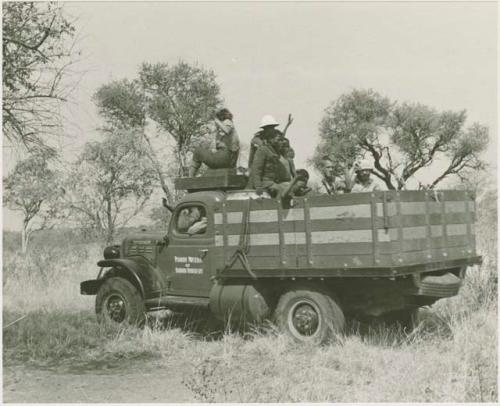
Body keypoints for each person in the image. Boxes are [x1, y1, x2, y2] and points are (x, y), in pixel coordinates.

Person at [189, 108, 240, 177]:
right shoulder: (229, 134)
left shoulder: (227, 122)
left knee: (197, 151)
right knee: (208, 152)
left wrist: (215, 119)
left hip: (224, 159)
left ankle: (190, 178)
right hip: (229, 161)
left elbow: (226, 130)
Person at [250, 128, 291, 198]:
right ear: (270, 140)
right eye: (279, 140)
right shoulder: (262, 150)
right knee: (280, 190)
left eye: (281, 140)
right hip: (264, 183)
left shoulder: (275, 152)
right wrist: (258, 186)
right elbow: (256, 169)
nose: (281, 142)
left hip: (272, 182)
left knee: (289, 189)